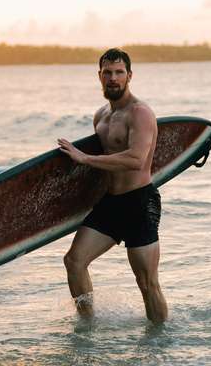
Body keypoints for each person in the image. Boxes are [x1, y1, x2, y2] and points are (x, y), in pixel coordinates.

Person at [57, 48, 168, 324]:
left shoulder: (140, 113)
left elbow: (135, 159)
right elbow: (99, 171)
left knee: (147, 283)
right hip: (110, 202)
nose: (113, 78)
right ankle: (88, 327)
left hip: (139, 203)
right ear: (99, 76)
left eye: (119, 72)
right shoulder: (101, 117)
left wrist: (85, 158)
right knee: (74, 262)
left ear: (130, 76)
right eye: (107, 73)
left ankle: (160, 342)